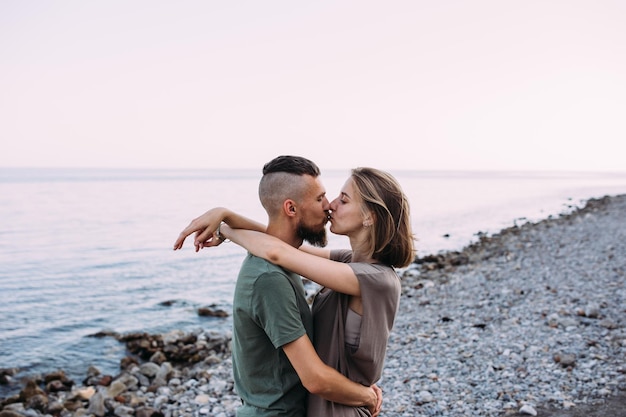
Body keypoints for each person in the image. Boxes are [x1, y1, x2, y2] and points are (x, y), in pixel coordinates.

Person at [175, 158, 415, 417]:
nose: (331, 205)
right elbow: (284, 245)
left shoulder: (375, 280)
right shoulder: (348, 262)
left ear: (370, 216)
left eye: (343, 200)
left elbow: (279, 252)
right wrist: (224, 220)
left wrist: (226, 228)